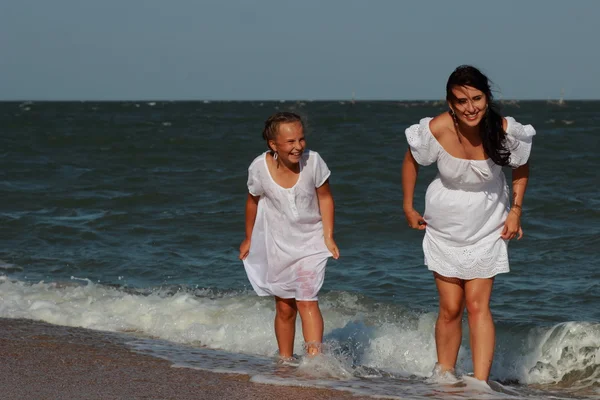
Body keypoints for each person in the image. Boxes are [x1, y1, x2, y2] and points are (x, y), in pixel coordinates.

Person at [401, 65, 535, 382]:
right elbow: (411, 161)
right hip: (444, 221)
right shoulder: (437, 128)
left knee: (477, 306)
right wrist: (408, 206)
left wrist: (515, 210)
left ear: (487, 98)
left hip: (488, 219)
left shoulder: (503, 130)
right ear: (450, 102)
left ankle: (480, 384)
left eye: (476, 98)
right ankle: (444, 376)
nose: (470, 107)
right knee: (450, 306)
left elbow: (521, 165)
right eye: (461, 101)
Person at [239, 111, 340, 361]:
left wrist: (328, 236)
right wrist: (248, 237)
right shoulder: (259, 168)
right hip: (279, 243)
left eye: (301, 139)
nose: (298, 147)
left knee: (307, 300)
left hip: (311, 242)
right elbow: (252, 202)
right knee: (284, 307)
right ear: (273, 145)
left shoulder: (314, 162)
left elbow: (325, 198)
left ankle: (314, 362)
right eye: (290, 142)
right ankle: (284, 361)